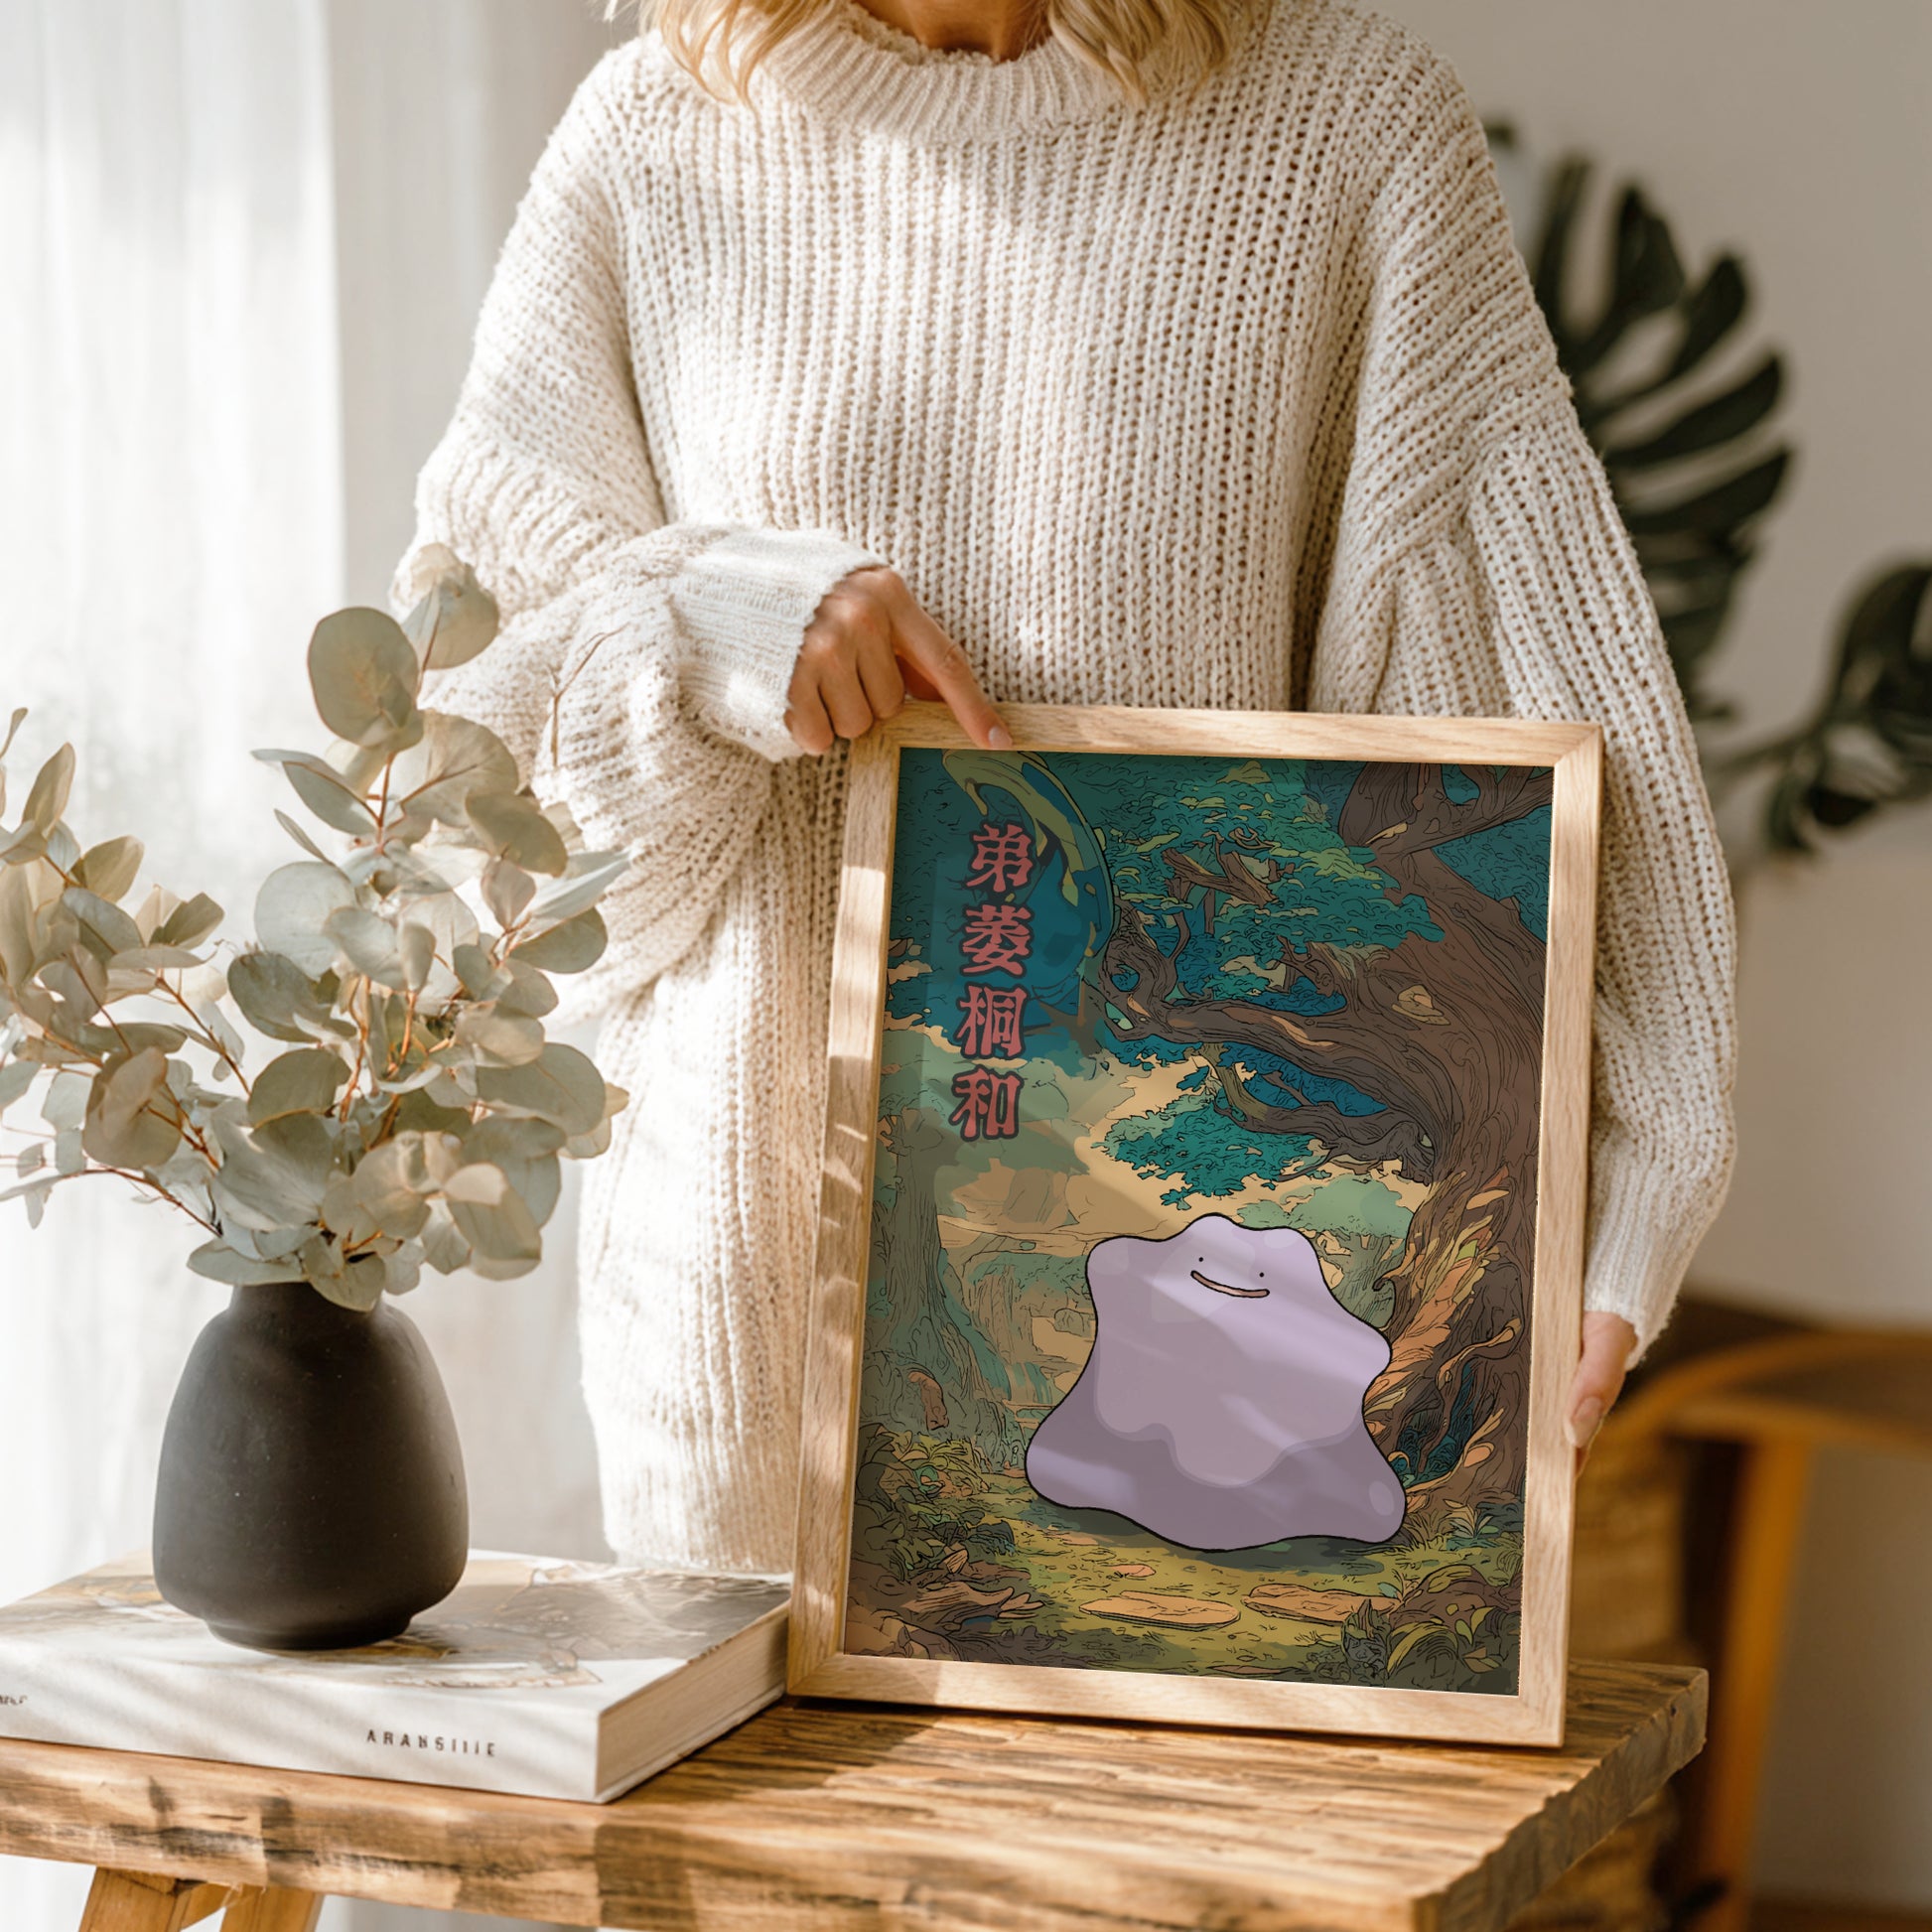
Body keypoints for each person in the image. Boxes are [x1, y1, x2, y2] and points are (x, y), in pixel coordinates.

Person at [393, 0, 1736, 1577]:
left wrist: (1625, 1173)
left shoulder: (1342, 127)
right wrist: (703, 620)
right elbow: (465, 820)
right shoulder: (650, 139)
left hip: (1217, 1332)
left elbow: (1523, 701)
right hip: (738, 1325)